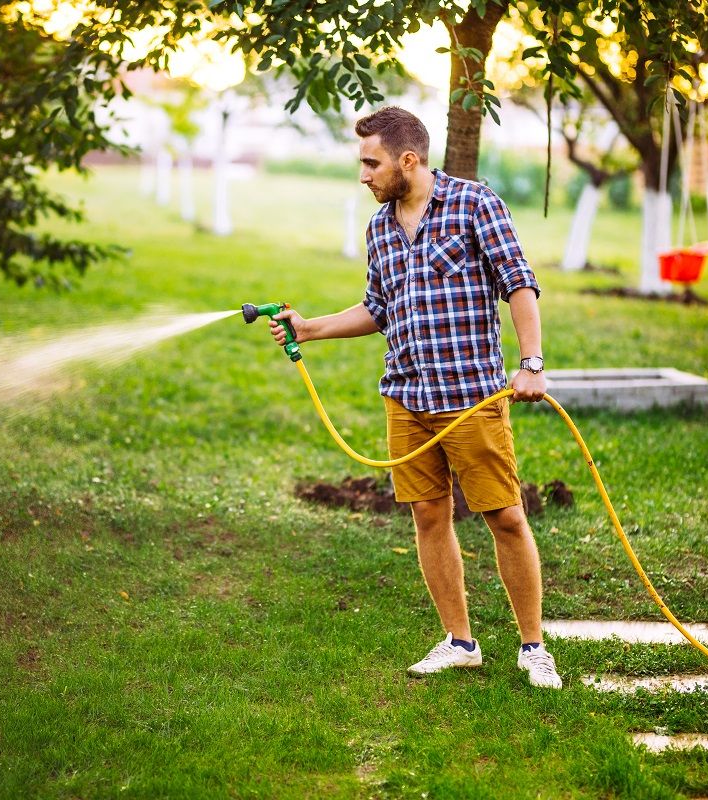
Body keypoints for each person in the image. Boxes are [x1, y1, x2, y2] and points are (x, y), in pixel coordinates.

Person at [268, 106, 561, 689]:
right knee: (428, 515)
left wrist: (531, 364)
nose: (364, 175)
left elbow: (519, 283)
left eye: (371, 163)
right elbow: (378, 306)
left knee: (503, 515)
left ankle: (533, 647)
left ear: (408, 160)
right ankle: (461, 642)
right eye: (361, 163)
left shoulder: (476, 205)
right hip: (406, 394)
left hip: (470, 394)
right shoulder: (380, 227)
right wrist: (311, 328)